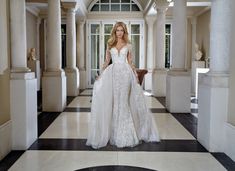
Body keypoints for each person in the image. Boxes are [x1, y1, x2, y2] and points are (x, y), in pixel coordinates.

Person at [86, 22, 160, 149]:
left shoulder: (128, 45)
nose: (119, 32)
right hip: (113, 74)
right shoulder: (110, 44)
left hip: (125, 74)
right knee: (115, 102)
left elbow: (130, 62)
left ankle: (126, 133)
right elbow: (106, 61)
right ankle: (114, 133)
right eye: (117, 30)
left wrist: (136, 76)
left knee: (123, 101)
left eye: (121, 30)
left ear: (124, 32)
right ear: (114, 32)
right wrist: (101, 74)